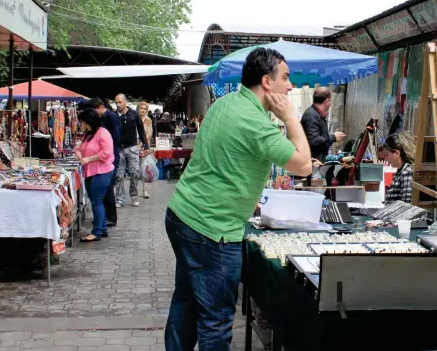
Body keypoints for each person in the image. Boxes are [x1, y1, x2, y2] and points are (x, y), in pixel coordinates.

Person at [165, 47, 312, 351]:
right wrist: (290, 118)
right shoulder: (256, 123)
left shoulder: (225, 104)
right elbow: (304, 164)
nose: (290, 85)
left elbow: (225, 161)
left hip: (183, 215)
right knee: (215, 318)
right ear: (266, 82)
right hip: (212, 229)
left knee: (187, 300)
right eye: (285, 77)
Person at [75, 109, 115, 242]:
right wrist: (79, 153)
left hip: (101, 172)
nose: (80, 124)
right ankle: (101, 228)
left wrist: (88, 159)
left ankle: (96, 232)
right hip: (91, 172)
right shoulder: (88, 134)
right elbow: (80, 148)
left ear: (88, 121)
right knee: (96, 201)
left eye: (82, 121)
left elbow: (107, 153)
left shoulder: (103, 133)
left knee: (97, 201)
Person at [90, 98, 121, 227]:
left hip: (111, 155)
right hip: (108, 155)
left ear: (100, 107)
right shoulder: (106, 117)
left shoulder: (111, 117)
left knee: (108, 187)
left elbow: (116, 136)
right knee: (105, 189)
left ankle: (111, 218)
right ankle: (104, 217)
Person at [114, 94, 149, 208]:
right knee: (119, 175)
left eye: (120, 102)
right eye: (116, 103)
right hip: (119, 148)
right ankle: (120, 198)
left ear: (125, 102)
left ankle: (134, 195)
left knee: (134, 173)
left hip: (132, 147)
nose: (118, 105)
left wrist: (146, 145)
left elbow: (141, 129)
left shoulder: (134, 114)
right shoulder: (114, 116)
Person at [300, 86, 346, 163]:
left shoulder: (316, 115)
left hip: (317, 162)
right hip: (312, 164)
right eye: (330, 101)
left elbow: (318, 136)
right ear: (327, 101)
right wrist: (333, 137)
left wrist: (332, 136)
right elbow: (314, 141)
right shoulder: (312, 116)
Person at [383, 132, 414, 203]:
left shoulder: (407, 172)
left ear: (397, 153)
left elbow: (406, 205)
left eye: (387, 155)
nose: (385, 159)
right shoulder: (400, 172)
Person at [137, 102, 156, 199]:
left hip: (143, 147)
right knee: (134, 170)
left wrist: (141, 145)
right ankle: (134, 190)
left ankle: (145, 191)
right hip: (133, 147)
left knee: (145, 169)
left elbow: (149, 134)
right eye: (141, 108)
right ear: (138, 109)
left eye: (145, 108)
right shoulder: (134, 119)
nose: (143, 110)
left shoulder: (148, 120)